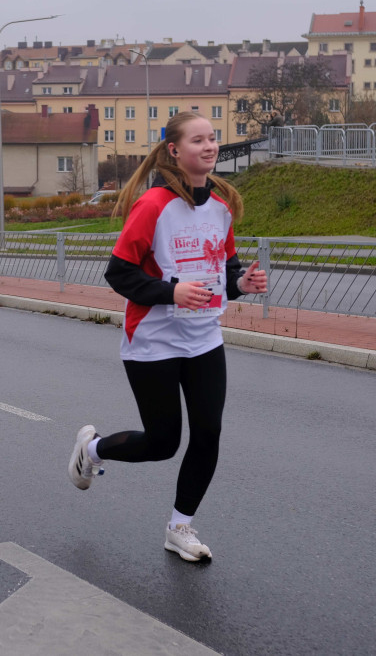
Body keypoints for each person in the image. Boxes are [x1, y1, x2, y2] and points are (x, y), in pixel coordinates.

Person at [68, 112, 268, 562]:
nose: (210, 146)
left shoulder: (220, 205)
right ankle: (92, 449)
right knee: (163, 443)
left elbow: (225, 271)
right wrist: (170, 291)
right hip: (152, 342)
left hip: (203, 339)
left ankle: (180, 527)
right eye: (198, 140)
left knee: (209, 432)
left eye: (213, 138)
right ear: (175, 150)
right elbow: (119, 273)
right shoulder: (154, 205)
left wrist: (242, 284)